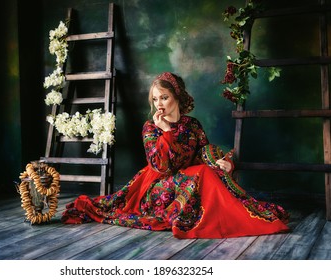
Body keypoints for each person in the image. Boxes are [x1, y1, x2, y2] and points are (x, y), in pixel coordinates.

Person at [61, 72, 290, 239]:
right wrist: (168, 132)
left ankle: (238, 216)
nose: (158, 104)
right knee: (200, 174)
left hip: (189, 178)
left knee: (210, 171)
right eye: (155, 99)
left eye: (164, 97)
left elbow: (203, 152)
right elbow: (161, 167)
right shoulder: (151, 127)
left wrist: (222, 162)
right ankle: (228, 219)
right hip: (157, 185)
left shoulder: (192, 124)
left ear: (177, 97)